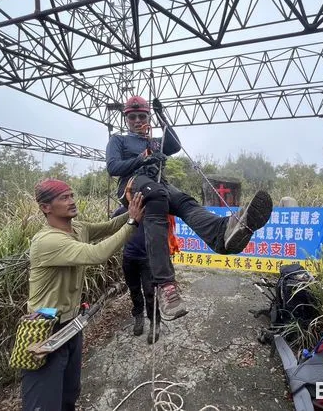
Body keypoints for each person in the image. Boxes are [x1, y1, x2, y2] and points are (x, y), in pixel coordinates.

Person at [106, 96, 273, 320]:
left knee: (185, 200)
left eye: (142, 116)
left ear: (148, 117)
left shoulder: (155, 141)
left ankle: (222, 233)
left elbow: (174, 144)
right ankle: (166, 285)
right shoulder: (119, 141)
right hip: (132, 184)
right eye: (133, 117)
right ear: (126, 119)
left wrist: (163, 118)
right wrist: (141, 158)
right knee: (156, 196)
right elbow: (113, 166)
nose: (138, 120)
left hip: (158, 183)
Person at [21, 179, 144, 411]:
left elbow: (109, 227)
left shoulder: (78, 229)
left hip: (71, 325)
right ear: (46, 207)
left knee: (69, 393)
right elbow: (98, 253)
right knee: (44, 402)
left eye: (72, 195)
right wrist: (132, 222)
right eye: (64, 198)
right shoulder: (49, 240)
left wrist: (133, 210)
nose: (72, 201)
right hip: (46, 330)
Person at [112, 205, 160, 344]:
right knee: (134, 290)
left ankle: (154, 322)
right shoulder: (122, 212)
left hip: (148, 258)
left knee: (150, 292)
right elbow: (113, 229)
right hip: (129, 257)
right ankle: (139, 316)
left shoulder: (150, 209)